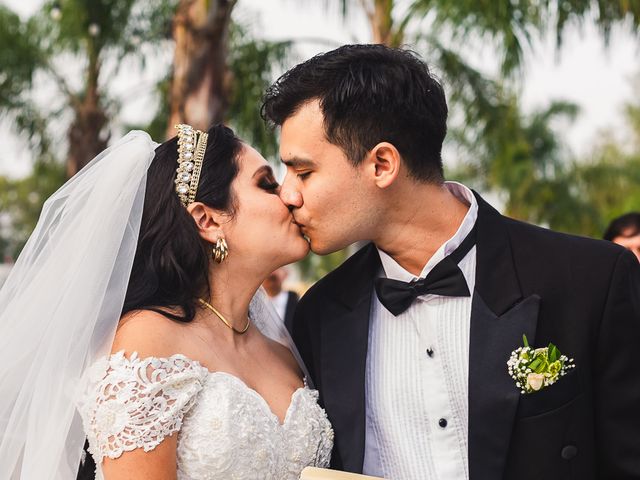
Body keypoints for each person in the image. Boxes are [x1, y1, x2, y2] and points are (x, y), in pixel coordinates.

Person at [261, 44, 640, 480]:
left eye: (303, 172)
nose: (288, 194)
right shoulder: (320, 314)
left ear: (382, 164)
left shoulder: (590, 281)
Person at [0, 124, 333, 479]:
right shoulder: (147, 342)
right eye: (267, 184)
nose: (290, 196)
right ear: (207, 220)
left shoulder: (284, 353)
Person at [263, 267, 300, 333]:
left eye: (277, 267)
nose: (271, 273)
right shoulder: (250, 305)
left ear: (285, 274)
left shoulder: (297, 304)